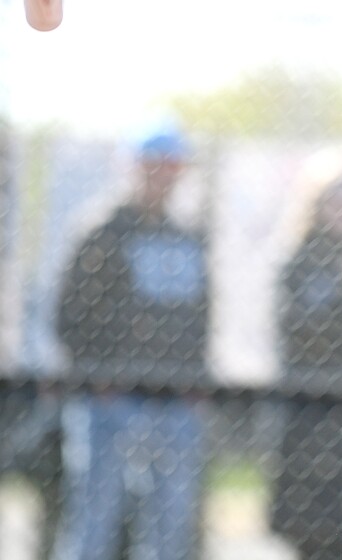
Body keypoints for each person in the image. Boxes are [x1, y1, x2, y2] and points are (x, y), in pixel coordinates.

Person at [52, 123, 210, 560]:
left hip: (174, 399)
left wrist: (197, 382)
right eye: (152, 165)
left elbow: (201, 316)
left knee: (169, 523)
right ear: (133, 168)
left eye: (172, 166)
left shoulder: (187, 233)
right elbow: (69, 316)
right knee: (94, 519)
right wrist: (98, 379)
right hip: (110, 400)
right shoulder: (101, 230)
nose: (162, 175)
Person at [269, 172, 342, 560]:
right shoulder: (299, 259)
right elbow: (298, 331)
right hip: (310, 410)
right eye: (336, 197)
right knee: (308, 523)